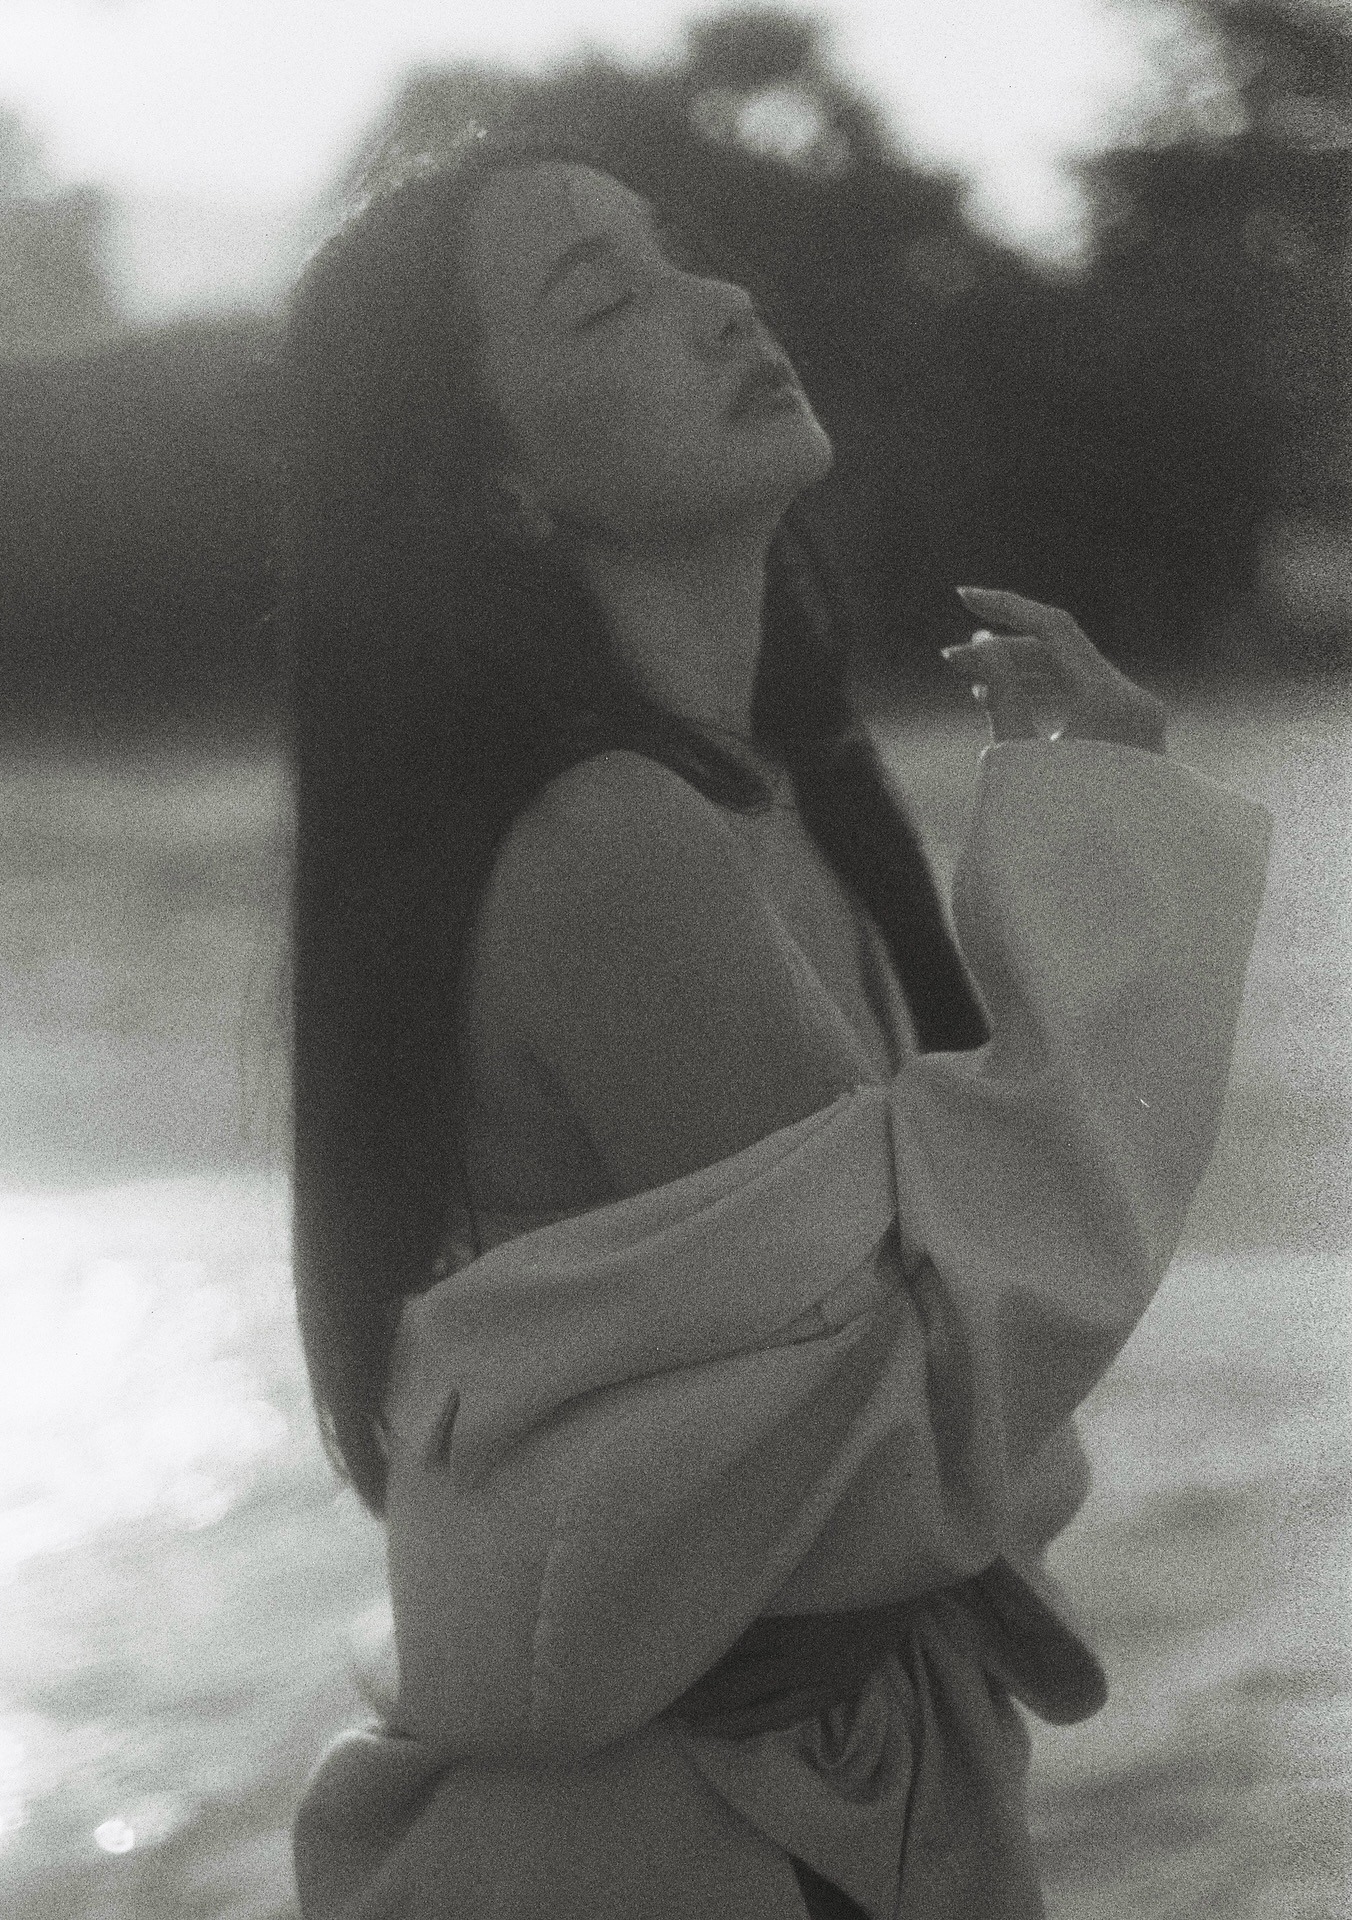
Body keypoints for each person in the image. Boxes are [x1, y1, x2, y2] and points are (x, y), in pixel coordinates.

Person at [281, 131, 1270, 1920]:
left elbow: (915, 1394)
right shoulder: (615, 842)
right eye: (605, 300)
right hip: (683, 1841)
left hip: (767, 1791)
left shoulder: (759, 803)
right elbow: (944, 1376)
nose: (720, 303)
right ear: (500, 488)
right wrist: (1117, 840)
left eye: (682, 253)